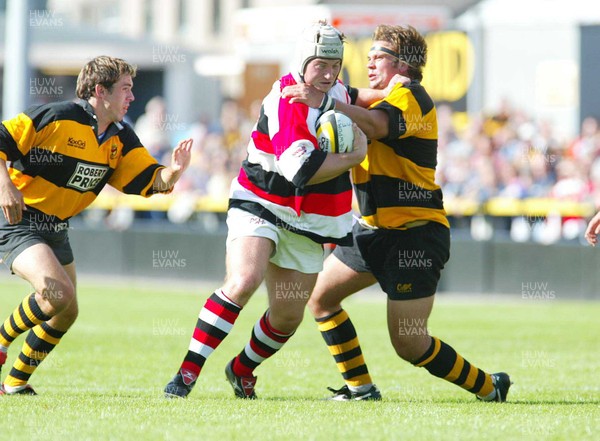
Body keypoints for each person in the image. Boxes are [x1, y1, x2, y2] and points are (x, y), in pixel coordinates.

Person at [282, 24, 512, 402]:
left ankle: (491, 386)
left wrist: (322, 102)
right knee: (320, 299)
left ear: (402, 64)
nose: (368, 62)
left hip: (416, 234)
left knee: (409, 344)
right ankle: (361, 389)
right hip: (371, 230)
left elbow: (377, 125)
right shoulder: (377, 96)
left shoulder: (413, 97)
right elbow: (344, 97)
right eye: (368, 55)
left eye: (378, 56)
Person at [163, 21, 368, 399]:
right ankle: (185, 376)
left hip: (309, 220)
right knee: (243, 281)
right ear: (302, 62)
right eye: (319, 64)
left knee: (288, 316)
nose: (327, 73)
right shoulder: (286, 99)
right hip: (261, 202)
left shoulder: (335, 91)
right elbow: (301, 170)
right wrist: (354, 156)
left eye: (333, 65)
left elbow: (360, 97)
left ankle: (241, 370)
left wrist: (395, 92)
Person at [0, 56, 193, 395]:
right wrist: (5, 185)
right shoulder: (57, 116)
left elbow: (148, 179)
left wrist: (173, 173)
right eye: (126, 89)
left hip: (56, 226)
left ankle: (15, 383)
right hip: (17, 218)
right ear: (100, 91)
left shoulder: (120, 136)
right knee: (58, 294)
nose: (132, 97)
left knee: (66, 311)